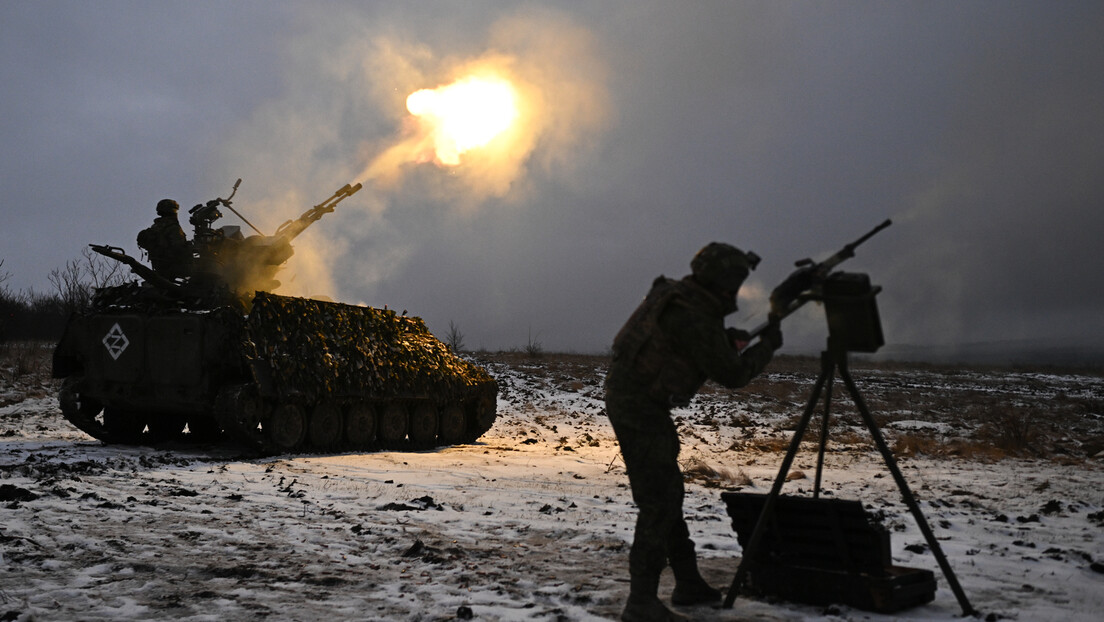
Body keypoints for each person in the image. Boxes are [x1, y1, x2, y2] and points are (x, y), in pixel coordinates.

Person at [604, 242, 783, 622]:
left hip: (638, 400)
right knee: (659, 501)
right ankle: (641, 603)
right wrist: (766, 347)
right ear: (724, 281)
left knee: (666, 492)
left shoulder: (680, 295)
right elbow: (732, 374)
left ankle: (687, 582)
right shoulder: (694, 315)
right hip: (639, 406)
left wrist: (725, 339)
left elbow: (685, 343)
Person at [137, 199, 193, 279]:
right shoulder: (173, 227)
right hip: (174, 265)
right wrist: (190, 247)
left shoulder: (156, 227)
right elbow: (178, 248)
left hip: (159, 266)